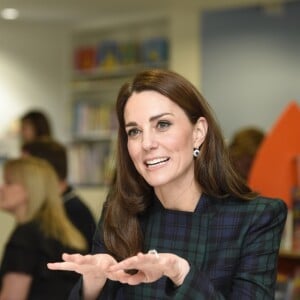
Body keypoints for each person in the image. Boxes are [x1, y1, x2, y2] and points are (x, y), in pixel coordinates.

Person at [48, 69, 287, 299]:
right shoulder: (120, 209)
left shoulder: (255, 217)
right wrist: (93, 284)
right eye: (134, 131)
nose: (147, 143)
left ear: (198, 132)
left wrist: (182, 272)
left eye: (162, 125)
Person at [0, 157, 88, 300]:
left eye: (9, 183)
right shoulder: (67, 235)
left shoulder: (26, 236)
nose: (1, 188)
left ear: (30, 189)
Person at [21, 139, 96, 252]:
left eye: (24, 170)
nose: (21, 178)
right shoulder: (58, 205)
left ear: (45, 170)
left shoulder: (72, 214)